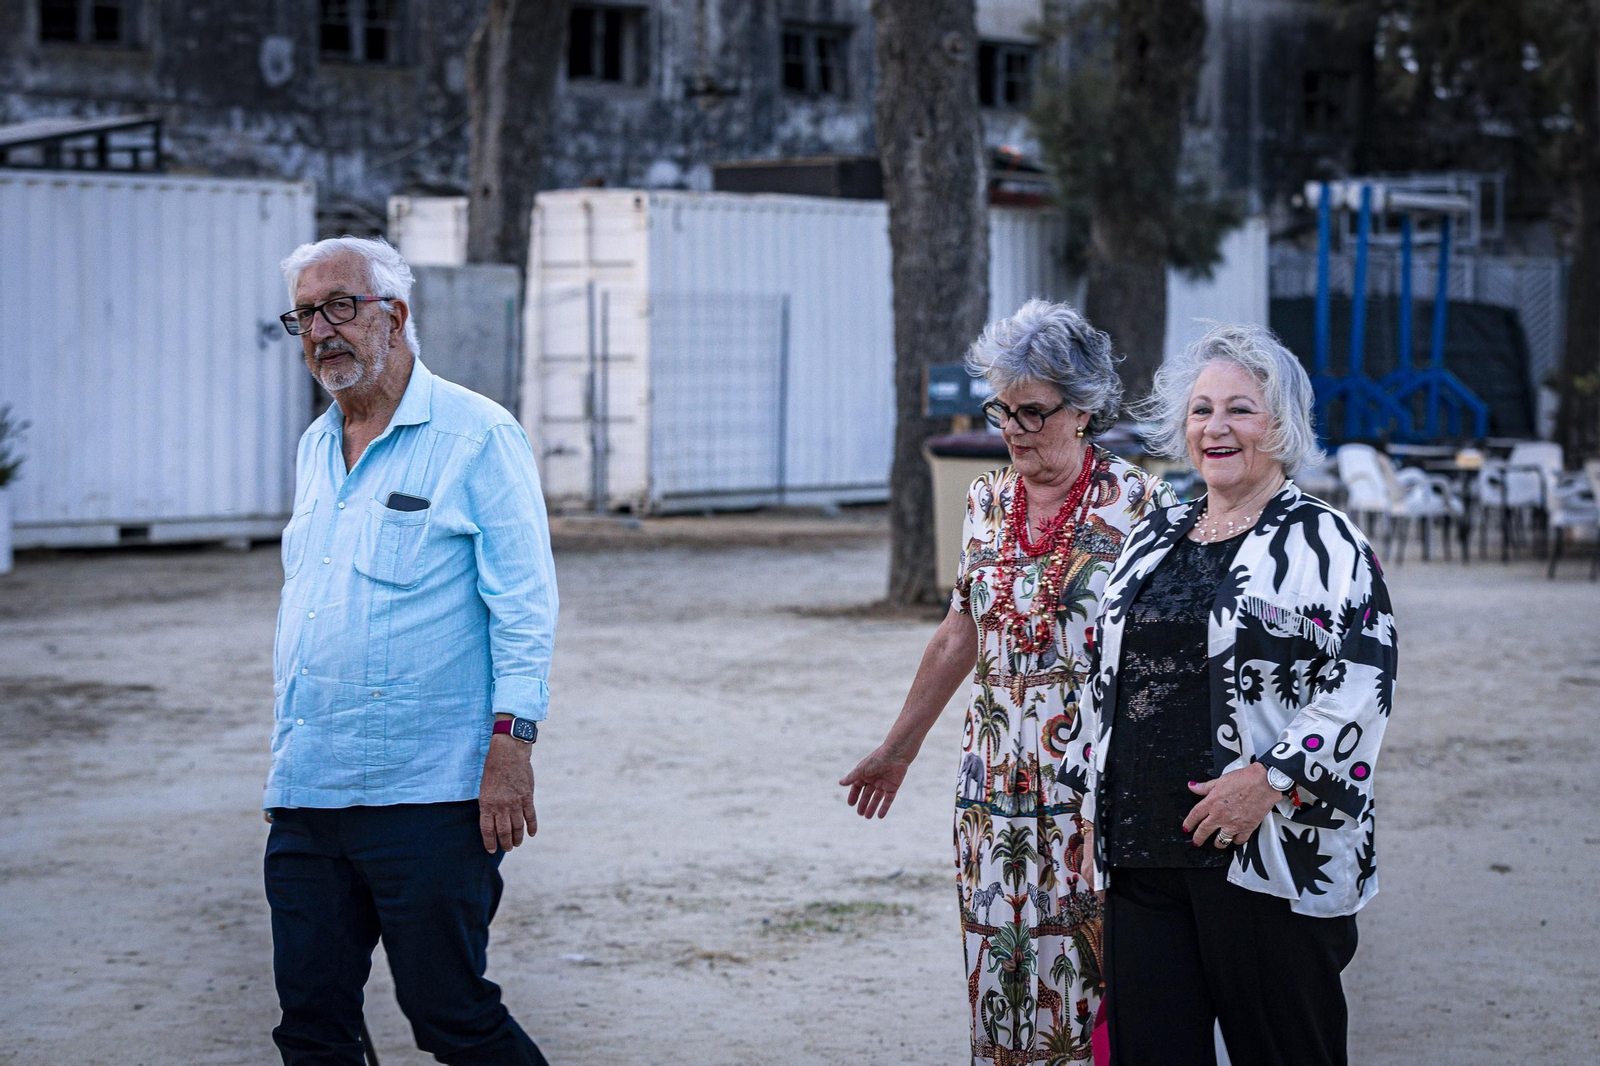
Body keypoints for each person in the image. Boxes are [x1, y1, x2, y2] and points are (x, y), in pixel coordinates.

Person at [840, 300, 1175, 1065]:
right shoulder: (986, 501)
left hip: (1092, 791)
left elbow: (1163, 662)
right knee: (1001, 976)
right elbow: (959, 632)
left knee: (1090, 983)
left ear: (1082, 410)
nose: (1014, 429)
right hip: (991, 790)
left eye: (1033, 411)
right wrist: (897, 749)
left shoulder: (1143, 507)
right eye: (1002, 410)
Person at [1061, 323, 1397, 1066]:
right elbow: (1107, 681)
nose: (1216, 427)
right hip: (1142, 855)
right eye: (1201, 410)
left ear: (1281, 425)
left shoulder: (1328, 543)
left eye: (1240, 409)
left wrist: (1270, 779)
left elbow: (1364, 683)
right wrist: (1091, 807)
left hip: (1266, 851)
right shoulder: (1152, 538)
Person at [263, 236, 558, 1065]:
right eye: (305, 314)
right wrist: (286, 769)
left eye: (340, 306)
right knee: (311, 1025)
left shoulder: (477, 435)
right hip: (310, 791)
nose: (321, 330)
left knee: (450, 1015)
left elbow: (525, 607)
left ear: (393, 316)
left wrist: (513, 746)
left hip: (428, 796)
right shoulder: (315, 446)